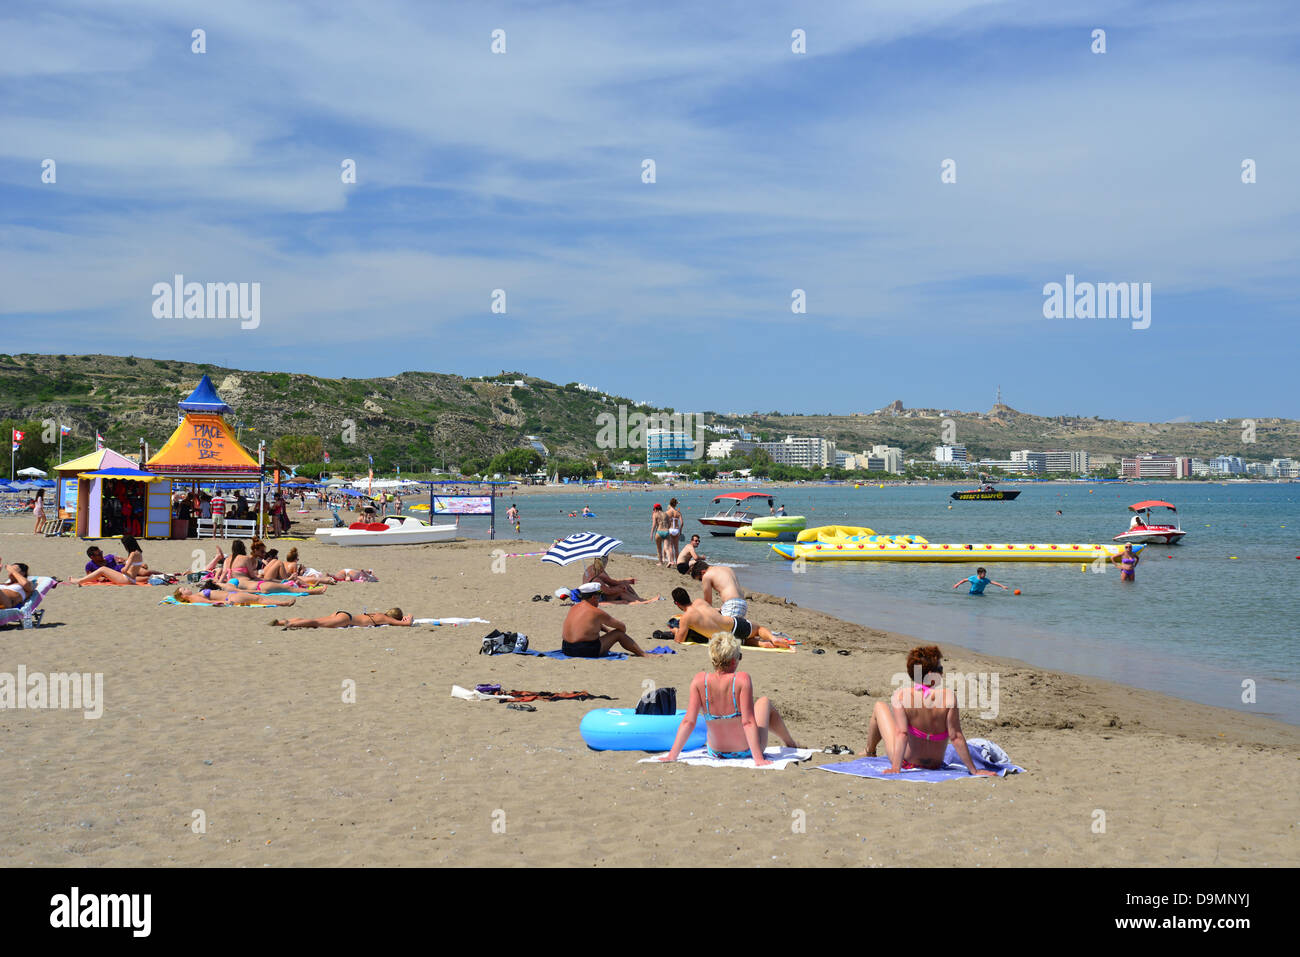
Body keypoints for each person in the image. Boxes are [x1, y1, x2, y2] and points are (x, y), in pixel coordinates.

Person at [657, 631, 798, 764]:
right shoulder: (742, 679)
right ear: (732, 661)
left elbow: (688, 722)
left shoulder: (700, 681)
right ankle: (790, 743)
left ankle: (790, 743)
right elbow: (747, 722)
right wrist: (758, 759)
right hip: (745, 751)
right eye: (739, 657)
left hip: (716, 751)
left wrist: (672, 755)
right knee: (764, 702)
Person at [862, 645, 996, 776]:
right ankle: (869, 751)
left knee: (880, 706)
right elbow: (956, 737)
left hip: (908, 762)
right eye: (940, 668)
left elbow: (902, 734)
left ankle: (870, 751)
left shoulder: (902, 696)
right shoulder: (948, 697)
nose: (942, 673)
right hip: (935, 764)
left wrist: (896, 767)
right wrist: (974, 770)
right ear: (931, 674)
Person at [670, 587, 792, 649]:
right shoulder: (700, 601)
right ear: (688, 596)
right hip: (734, 625)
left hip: (726, 639)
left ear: (676, 603)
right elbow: (711, 613)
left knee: (743, 641)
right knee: (759, 628)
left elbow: (679, 640)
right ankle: (773, 638)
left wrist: (676, 631)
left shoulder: (686, 618)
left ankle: (761, 644)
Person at [561, 582, 648, 657]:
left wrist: (607, 631)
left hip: (566, 649)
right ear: (593, 597)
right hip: (584, 651)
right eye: (599, 596)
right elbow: (622, 627)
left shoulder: (574, 608)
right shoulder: (596, 612)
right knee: (619, 634)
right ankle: (644, 654)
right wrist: (612, 633)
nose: (599, 599)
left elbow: (588, 624)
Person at [271, 607, 412, 629]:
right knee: (316, 623)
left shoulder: (379, 614)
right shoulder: (385, 619)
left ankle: (282, 622)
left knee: (315, 620)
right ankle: (290, 623)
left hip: (343, 614)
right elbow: (406, 624)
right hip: (346, 620)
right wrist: (409, 617)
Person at [172, 585, 297, 607]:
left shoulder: (193, 595)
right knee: (259, 599)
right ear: (182, 596)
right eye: (184, 589)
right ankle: (283, 603)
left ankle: (282, 603)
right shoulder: (193, 598)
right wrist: (224, 603)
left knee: (259, 598)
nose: (187, 588)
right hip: (230, 598)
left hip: (231, 595)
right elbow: (207, 603)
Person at [665, 498, 683, 565]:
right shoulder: (678, 512)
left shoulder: (667, 512)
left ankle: (671, 561)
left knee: (670, 547)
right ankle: (678, 562)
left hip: (670, 529)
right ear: (675, 504)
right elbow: (682, 523)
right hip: (676, 529)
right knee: (676, 548)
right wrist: (680, 530)